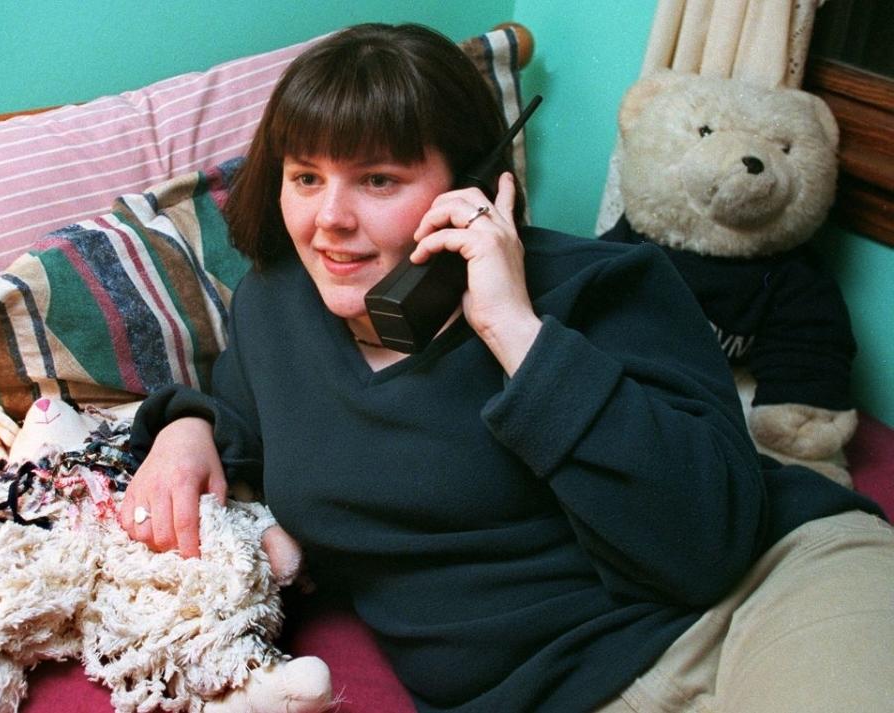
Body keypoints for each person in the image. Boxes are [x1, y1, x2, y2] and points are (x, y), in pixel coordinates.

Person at [120, 22, 894, 713]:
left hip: (763, 594)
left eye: (379, 178)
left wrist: (515, 332)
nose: (330, 219)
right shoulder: (274, 306)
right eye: (307, 176)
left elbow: (705, 546)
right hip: (548, 689)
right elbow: (248, 415)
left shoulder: (607, 284)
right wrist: (187, 426)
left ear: (475, 181)